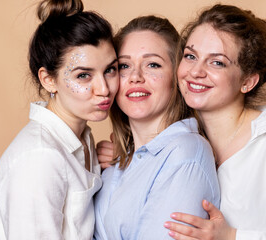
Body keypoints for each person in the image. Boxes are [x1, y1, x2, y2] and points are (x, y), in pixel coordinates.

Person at [163, 4, 266, 240]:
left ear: (248, 81)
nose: (195, 71)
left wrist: (232, 236)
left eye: (217, 62)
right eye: (191, 56)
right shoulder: (180, 137)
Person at [0, 0, 118, 239]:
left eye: (110, 70)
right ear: (48, 79)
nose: (104, 89)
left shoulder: (81, 137)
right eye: (83, 75)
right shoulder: (40, 157)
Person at [94, 16, 220, 240]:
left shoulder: (186, 152)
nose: (135, 77)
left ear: (177, 77)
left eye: (153, 64)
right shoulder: (115, 163)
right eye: (124, 66)